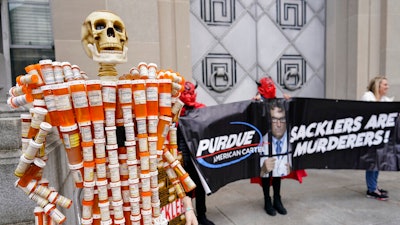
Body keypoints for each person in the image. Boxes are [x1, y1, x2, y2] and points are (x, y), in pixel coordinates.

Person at [252, 76, 307, 216]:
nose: (271, 87)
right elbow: (253, 119)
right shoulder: (257, 102)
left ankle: (277, 199)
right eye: (267, 85)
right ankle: (267, 200)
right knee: (265, 171)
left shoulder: (278, 102)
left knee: (278, 170)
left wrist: (289, 103)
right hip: (264, 141)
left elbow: (290, 116)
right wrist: (255, 103)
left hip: (278, 141)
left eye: (272, 84)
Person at [177, 81, 215, 225]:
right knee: (184, 190)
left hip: (198, 158)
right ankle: (187, 217)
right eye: (186, 92)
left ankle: (202, 215)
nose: (189, 95)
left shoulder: (201, 109)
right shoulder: (175, 110)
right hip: (181, 158)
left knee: (200, 188)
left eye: (191, 92)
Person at [361, 75, 393, 200]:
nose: (387, 87)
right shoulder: (368, 97)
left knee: (377, 162)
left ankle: (374, 186)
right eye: (385, 84)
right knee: (372, 162)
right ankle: (371, 189)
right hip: (369, 136)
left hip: (380, 137)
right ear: (377, 86)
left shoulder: (385, 100)